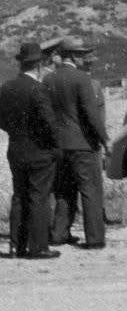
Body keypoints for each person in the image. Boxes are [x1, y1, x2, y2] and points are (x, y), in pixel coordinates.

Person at [45, 36, 109, 249]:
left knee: (63, 191)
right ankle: (95, 239)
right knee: (90, 191)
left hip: (58, 145)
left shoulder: (48, 79)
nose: (85, 58)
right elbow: (91, 115)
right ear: (73, 56)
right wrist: (105, 140)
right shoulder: (81, 79)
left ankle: (59, 234)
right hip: (82, 145)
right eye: (82, 54)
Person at [0, 43, 61, 259]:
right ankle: (38, 247)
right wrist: (55, 147)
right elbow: (50, 123)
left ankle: (16, 245)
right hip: (40, 151)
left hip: (16, 149)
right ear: (39, 65)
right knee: (39, 197)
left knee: (19, 196)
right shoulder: (39, 90)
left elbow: (2, 121)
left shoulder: (6, 88)